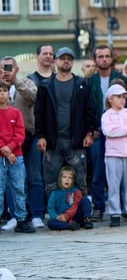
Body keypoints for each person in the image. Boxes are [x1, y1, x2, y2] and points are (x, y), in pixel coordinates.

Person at [33, 48, 97, 205]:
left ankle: (83, 214)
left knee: (80, 181)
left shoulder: (81, 84)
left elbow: (91, 111)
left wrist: (89, 133)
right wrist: (41, 136)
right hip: (52, 142)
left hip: (76, 141)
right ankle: (54, 215)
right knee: (51, 182)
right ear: (56, 61)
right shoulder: (45, 86)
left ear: (73, 62)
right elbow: (39, 113)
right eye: (63, 58)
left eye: (69, 58)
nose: (66, 61)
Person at [87, 44, 127, 221]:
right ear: (95, 59)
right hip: (98, 133)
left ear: (111, 59)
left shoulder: (122, 79)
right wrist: (91, 130)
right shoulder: (90, 81)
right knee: (98, 171)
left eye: (107, 56)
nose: (104, 59)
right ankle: (99, 206)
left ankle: (126, 208)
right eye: (100, 56)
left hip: (121, 131)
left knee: (124, 173)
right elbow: (87, 108)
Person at [1, 57, 42, 228]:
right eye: (4, 67)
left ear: (17, 68)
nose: (7, 70)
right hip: (3, 147)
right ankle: (10, 216)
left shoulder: (26, 81)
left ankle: (31, 216)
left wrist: (15, 80)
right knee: (4, 184)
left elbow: (33, 97)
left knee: (30, 179)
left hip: (25, 137)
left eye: (10, 67)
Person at [100, 84, 127, 227]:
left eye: (123, 97)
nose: (122, 100)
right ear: (110, 99)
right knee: (113, 184)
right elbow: (109, 131)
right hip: (113, 153)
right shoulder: (107, 115)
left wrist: (122, 130)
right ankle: (115, 213)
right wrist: (126, 129)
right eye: (118, 97)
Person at [0, 80, 35, 233]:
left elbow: (20, 134)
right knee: (0, 189)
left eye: (4, 91)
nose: (2, 94)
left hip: (16, 156)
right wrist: (5, 150)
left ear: (9, 94)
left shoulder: (15, 113)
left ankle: (21, 219)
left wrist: (10, 148)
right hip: (1, 157)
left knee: (19, 187)